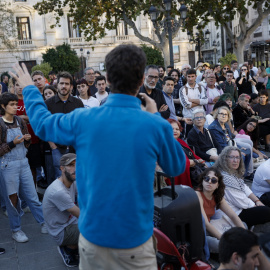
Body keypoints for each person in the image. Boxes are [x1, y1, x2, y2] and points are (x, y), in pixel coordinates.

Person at [10, 44, 186, 270]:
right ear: (141, 80)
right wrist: (156, 117)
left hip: (95, 241)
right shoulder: (155, 125)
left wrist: (30, 89)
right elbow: (176, 166)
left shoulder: (85, 118)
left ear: (108, 80)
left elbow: (43, 125)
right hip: (136, 242)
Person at [0, 92, 47, 243]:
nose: (16, 107)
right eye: (12, 105)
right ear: (3, 106)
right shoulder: (0, 124)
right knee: (12, 199)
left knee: (32, 196)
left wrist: (26, 140)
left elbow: (26, 143)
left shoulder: (20, 121)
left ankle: (43, 222)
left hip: (23, 162)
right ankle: (16, 230)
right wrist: (13, 143)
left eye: (16, 104)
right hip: (7, 165)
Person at [214, 146, 270, 230]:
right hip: (231, 215)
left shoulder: (231, 172)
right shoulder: (225, 177)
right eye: (232, 157)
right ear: (225, 159)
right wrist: (256, 206)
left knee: (263, 207)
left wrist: (257, 200)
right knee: (267, 211)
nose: (235, 161)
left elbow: (245, 188)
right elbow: (241, 201)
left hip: (238, 207)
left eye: (237, 157)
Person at [43, 153, 80, 267]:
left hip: (70, 221)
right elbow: (82, 215)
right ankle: (68, 250)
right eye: (71, 165)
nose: (75, 169)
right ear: (62, 168)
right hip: (61, 231)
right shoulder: (58, 191)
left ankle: (76, 247)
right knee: (97, 230)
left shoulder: (72, 181)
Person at [196, 167, 245, 253]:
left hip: (211, 227)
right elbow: (206, 224)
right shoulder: (198, 195)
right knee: (218, 244)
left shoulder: (217, 196)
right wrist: (225, 240)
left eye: (214, 180)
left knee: (243, 225)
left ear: (218, 185)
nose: (209, 182)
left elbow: (233, 215)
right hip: (200, 231)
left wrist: (246, 235)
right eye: (206, 178)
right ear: (202, 180)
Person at [45, 71, 84, 178]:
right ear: (56, 85)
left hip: (74, 148)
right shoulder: (48, 104)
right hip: (57, 148)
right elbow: (46, 127)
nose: (64, 86)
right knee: (61, 179)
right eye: (61, 83)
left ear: (71, 86)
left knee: (76, 178)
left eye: (67, 84)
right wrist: (53, 147)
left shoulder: (78, 103)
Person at [208, 106, 252, 175]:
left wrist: (238, 148)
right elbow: (221, 145)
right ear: (217, 115)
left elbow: (230, 139)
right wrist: (238, 151)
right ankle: (236, 175)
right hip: (222, 150)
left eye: (225, 114)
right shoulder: (213, 128)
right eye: (221, 114)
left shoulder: (226, 125)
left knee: (247, 150)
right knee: (241, 156)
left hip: (230, 145)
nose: (223, 116)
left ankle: (244, 174)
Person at [168, 119, 205, 187]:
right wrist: (189, 162)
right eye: (171, 128)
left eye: (177, 129)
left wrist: (201, 160)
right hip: (177, 179)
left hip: (191, 172)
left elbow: (191, 153)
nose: (175, 131)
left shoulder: (180, 141)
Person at [179, 68, 208, 136]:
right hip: (189, 119)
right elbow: (186, 105)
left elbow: (206, 101)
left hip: (201, 118)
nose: (190, 79)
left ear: (195, 76)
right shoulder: (183, 89)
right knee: (189, 141)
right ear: (186, 77)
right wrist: (199, 101)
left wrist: (192, 100)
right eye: (189, 76)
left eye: (192, 76)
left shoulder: (201, 87)